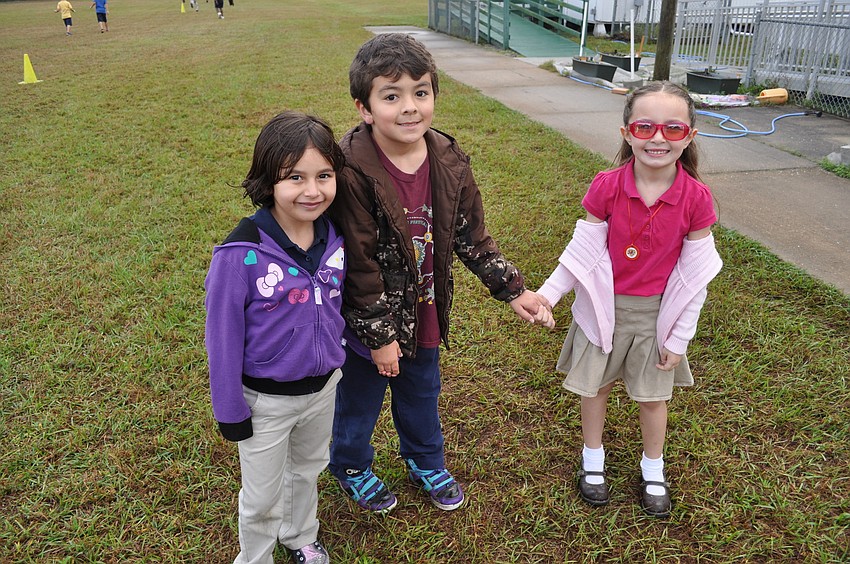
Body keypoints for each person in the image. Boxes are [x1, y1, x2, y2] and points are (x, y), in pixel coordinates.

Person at [326, 32, 550, 514]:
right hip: (364, 324)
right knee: (359, 401)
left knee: (421, 394)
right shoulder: (350, 171)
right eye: (391, 96)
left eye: (421, 92)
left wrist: (514, 290)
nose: (410, 107)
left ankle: (425, 461)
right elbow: (359, 265)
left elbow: (471, 236)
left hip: (424, 309)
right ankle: (350, 466)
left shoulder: (449, 159)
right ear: (365, 108)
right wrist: (379, 338)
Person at [534, 81, 723, 518]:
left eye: (673, 128)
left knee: (653, 398)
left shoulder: (697, 198)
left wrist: (680, 337)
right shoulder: (607, 186)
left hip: (656, 317)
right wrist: (548, 294)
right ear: (626, 133)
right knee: (596, 389)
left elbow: (696, 278)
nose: (658, 138)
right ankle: (592, 460)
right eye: (645, 127)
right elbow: (583, 252)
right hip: (603, 309)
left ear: (690, 136)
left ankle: (653, 469)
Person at [205, 111, 347, 564]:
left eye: (324, 175)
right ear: (268, 182)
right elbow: (222, 340)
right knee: (262, 496)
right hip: (264, 402)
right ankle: (255, 558)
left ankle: (300, 534)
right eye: (295, 177)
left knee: (307, 470)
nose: (312, 190)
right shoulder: (239, 254)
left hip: (323, 389)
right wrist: (230, 409)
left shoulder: (335, 236)